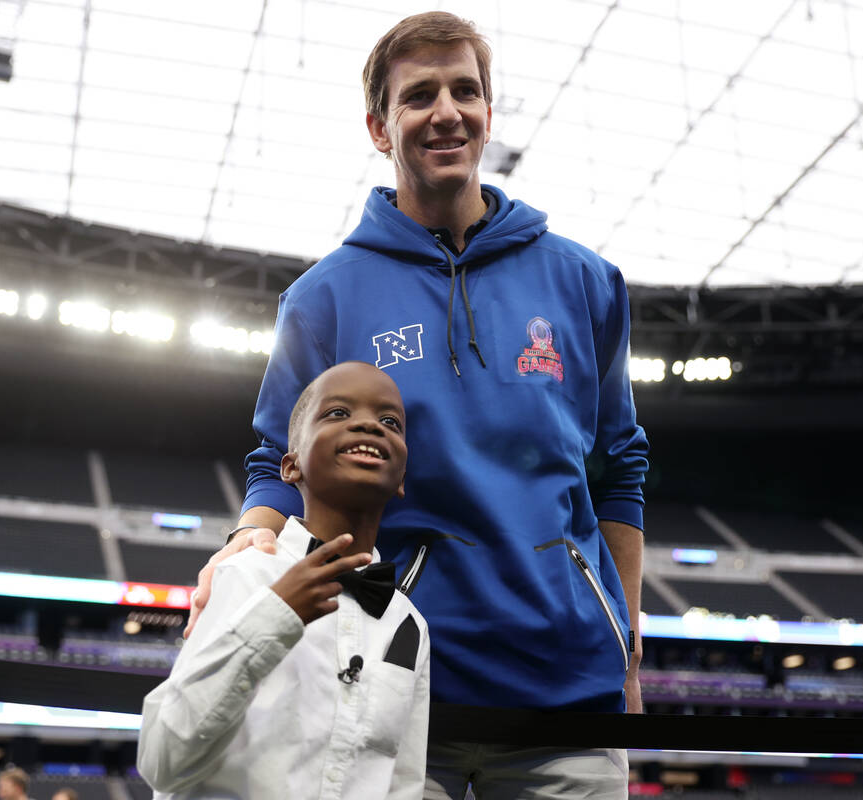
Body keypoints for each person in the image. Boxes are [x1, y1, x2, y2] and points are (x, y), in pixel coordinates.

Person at [189, 10, 650, 799]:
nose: (447, 111)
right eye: (420, 95)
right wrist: (245, 542)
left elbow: (620, 468)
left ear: (488, 115)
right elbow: (277, 457)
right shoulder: (323, 297)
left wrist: (628, 649)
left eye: (465, 91)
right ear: (380, 126)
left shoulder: (584, 282)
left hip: (568, 691)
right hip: (392, 680)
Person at [139, 361, 431, 799]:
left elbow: (403, 785)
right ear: (290, 467)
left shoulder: (409, 625)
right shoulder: (245, 573)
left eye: (389, 421)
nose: (369, 425)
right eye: (338, 413)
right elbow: (162, 762)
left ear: (402, 479)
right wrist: (276, 615)